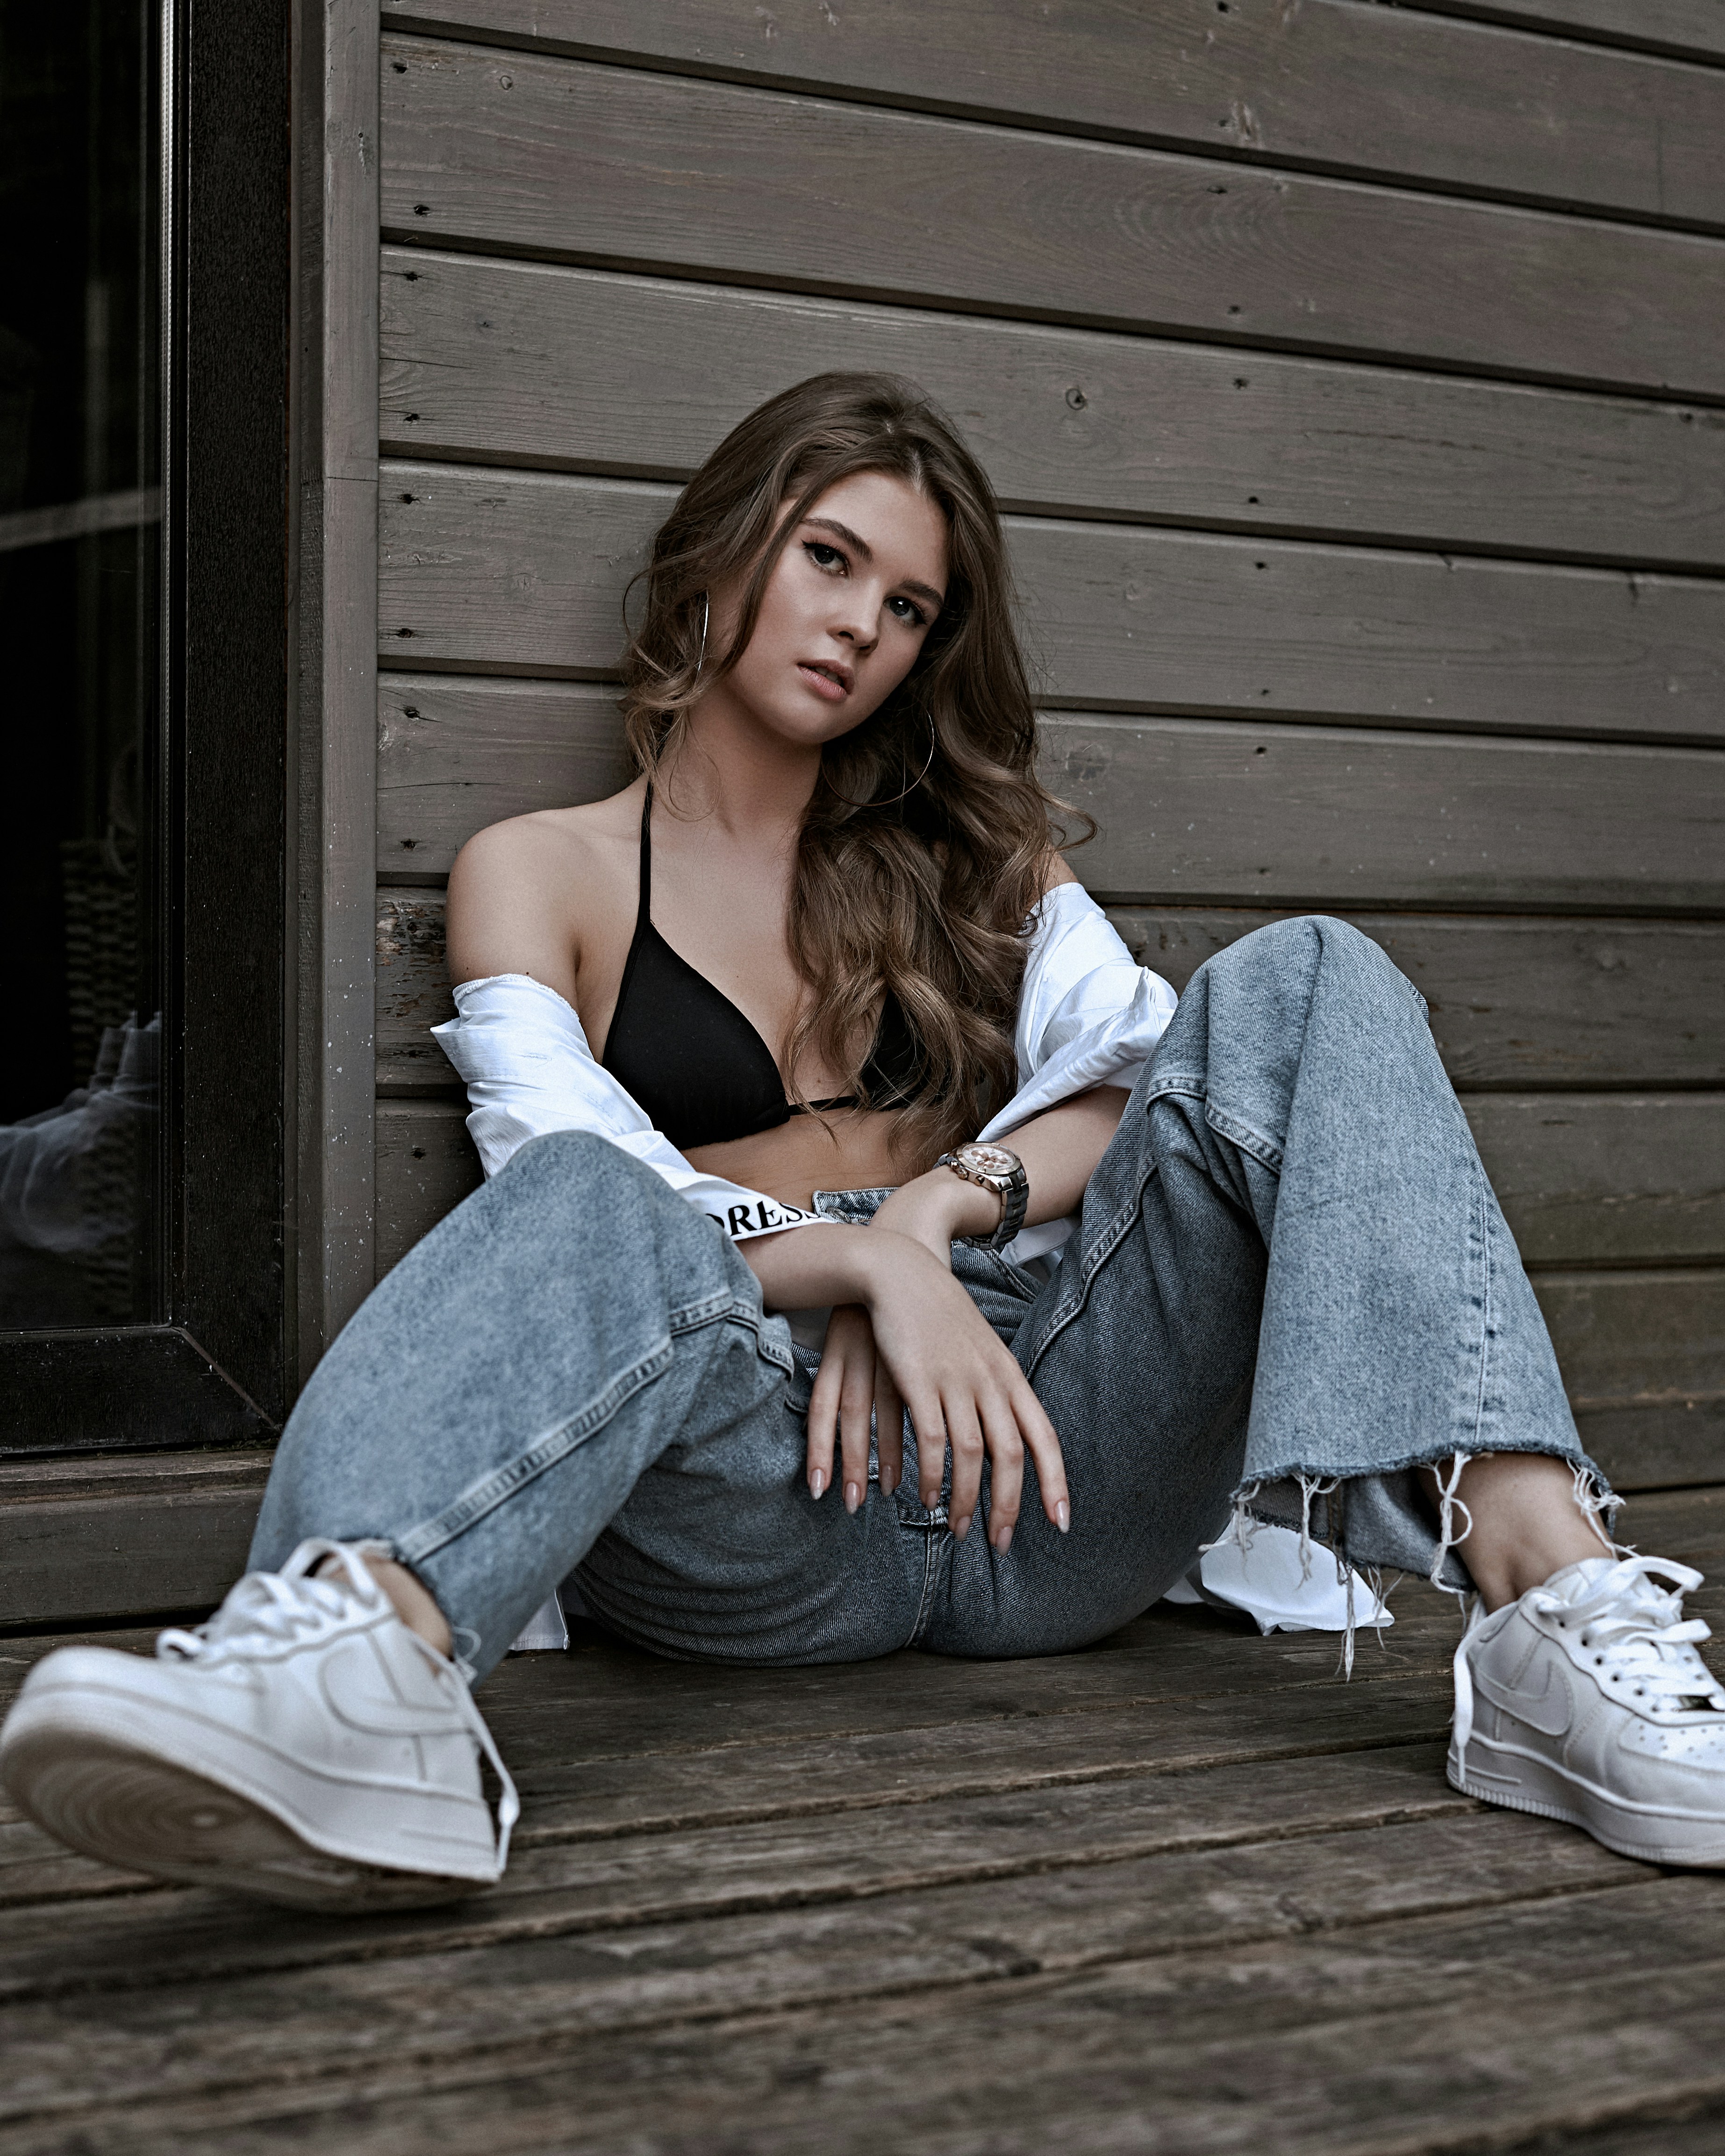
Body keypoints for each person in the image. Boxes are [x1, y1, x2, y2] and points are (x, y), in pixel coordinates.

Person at [4, 374, 1722, 1912]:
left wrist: (929, 1214)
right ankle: (357, 1678)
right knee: (595, 1193)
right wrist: (850, 1266)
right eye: (828, 560)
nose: (860, 629)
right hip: (762, 1497)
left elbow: (1145, 1082)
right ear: (728, 548)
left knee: (1309, 977)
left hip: (1047, 1470)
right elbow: (555, 1177)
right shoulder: (545, 870)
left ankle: (1542, 1611)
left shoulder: (975, 859)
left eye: (907, 607)